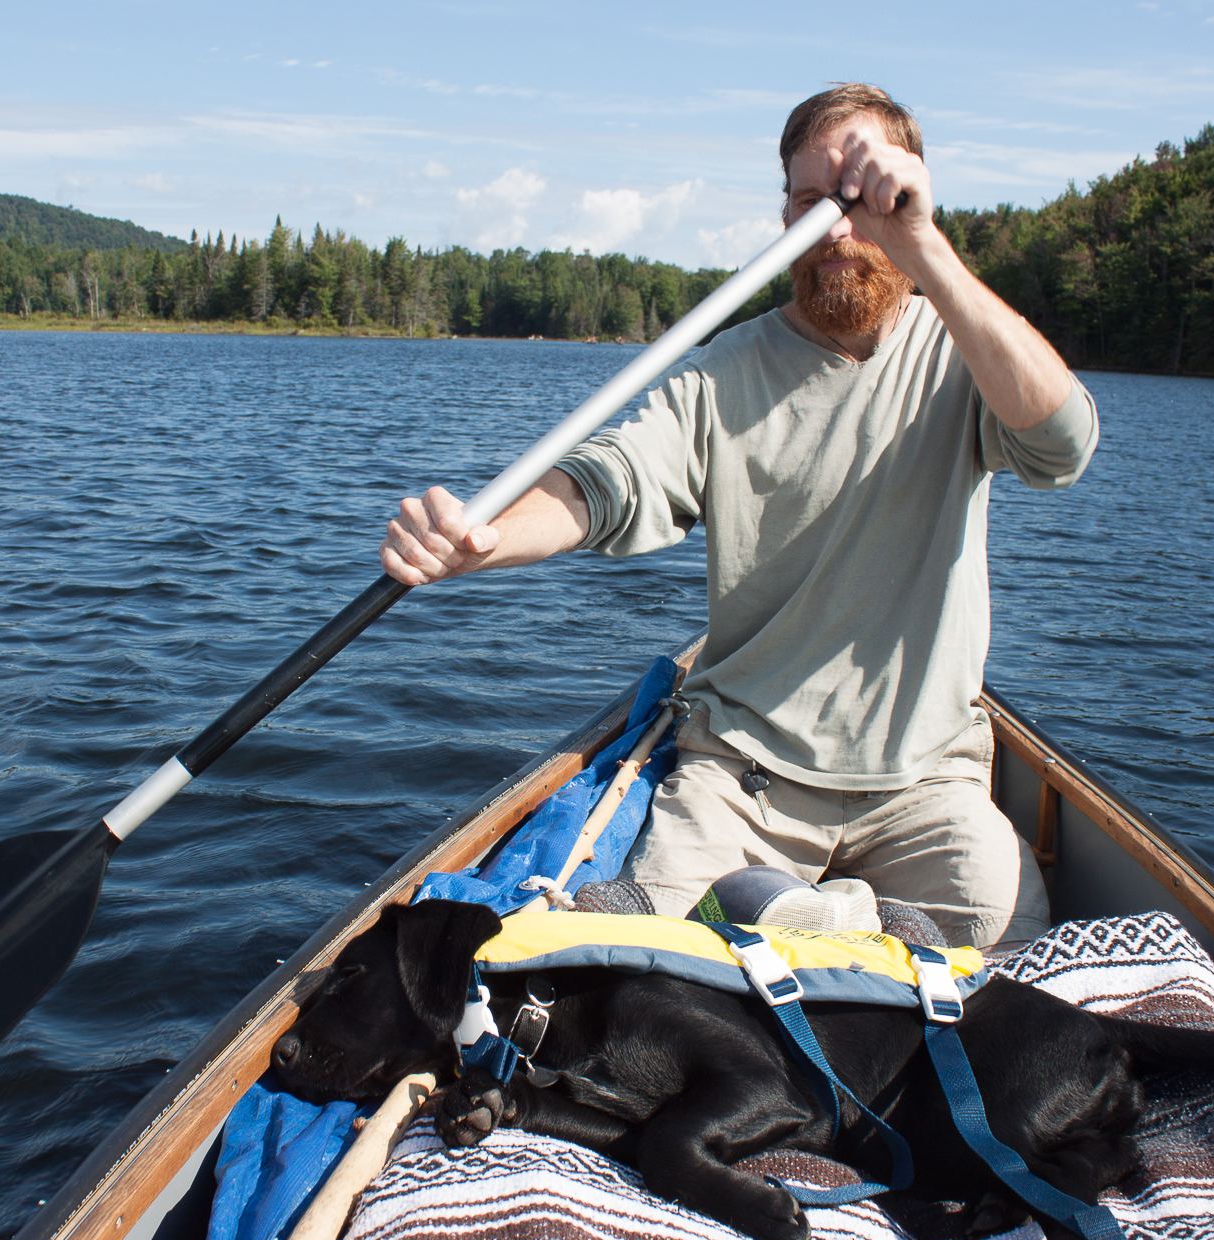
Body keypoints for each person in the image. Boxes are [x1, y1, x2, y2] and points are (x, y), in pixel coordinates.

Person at [380, 83, 1098, 951]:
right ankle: (822, 924)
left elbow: (1061, 444)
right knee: (638, 964)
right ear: (784, 211)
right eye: (810, 203)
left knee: (1006, 953)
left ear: (912, 196)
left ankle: (831, 924)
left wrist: (927, 251)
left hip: (927, 781)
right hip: (745, 775)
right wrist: (482, 542)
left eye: (864, 201)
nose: (836, 229)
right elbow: (608, 483)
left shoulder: (964, 350)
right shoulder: (725, 370)